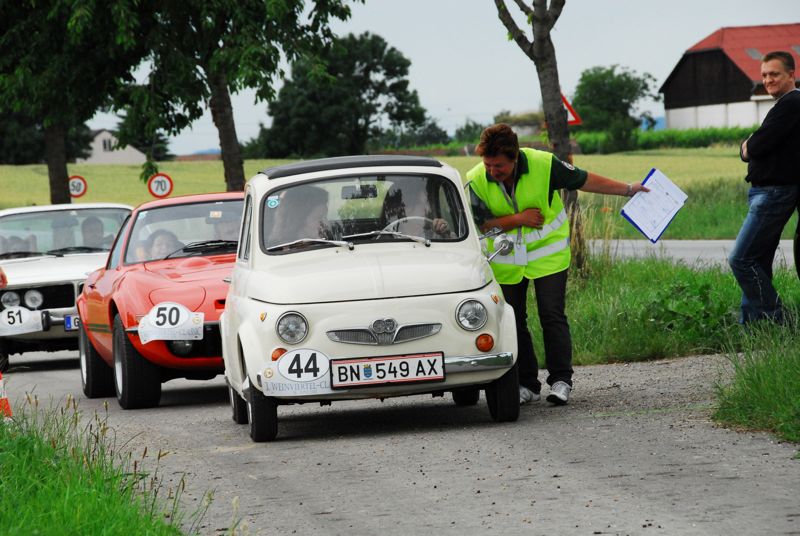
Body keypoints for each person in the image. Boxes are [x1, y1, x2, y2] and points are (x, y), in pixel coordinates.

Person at [467, 124, 648, 406]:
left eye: (499, 165)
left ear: (515, 157)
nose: (492, 171)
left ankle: (561, 381)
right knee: (514, 321)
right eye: (488, 164)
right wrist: (519, 219)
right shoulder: (476, 179)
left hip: (547, 256)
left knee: (552, 314)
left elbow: (584, 180)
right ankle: (526, 384)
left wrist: (627, 189)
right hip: (506, 261)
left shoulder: (543, 164)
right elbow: (481, 222)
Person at [729, 51, 800, 325]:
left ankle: (778, 320)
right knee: (758, 262)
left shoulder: (791, 103)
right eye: (764, 75)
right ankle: (753, 328)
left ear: (791, 75)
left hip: (773, 193)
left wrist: (748, 146)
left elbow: (754, 146)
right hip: (768, 192)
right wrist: (750, 146)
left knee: (741, 260)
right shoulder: (785, 105)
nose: (767, 80)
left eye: (774, 74)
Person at [382, 181, 451, 238]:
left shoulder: (434, 234)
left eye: (426, 202)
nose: (426, 208)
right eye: (419, 203)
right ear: (405, 207)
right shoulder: (387, 236)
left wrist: (446, 234)